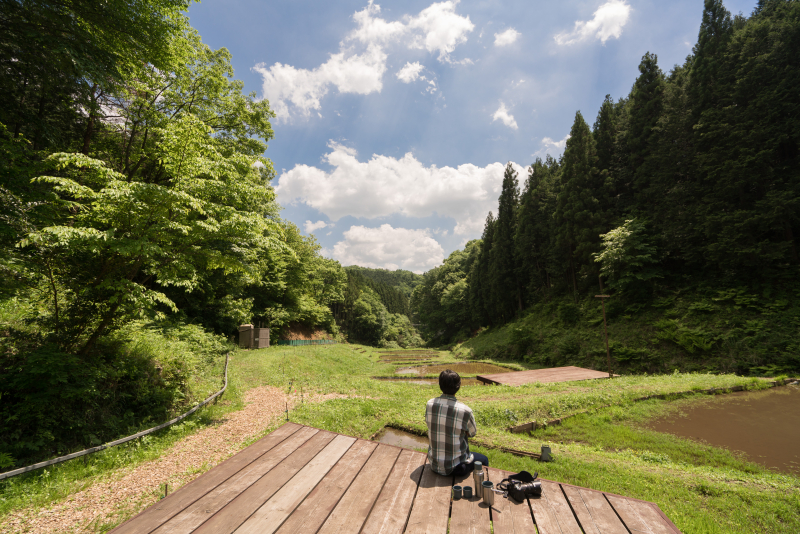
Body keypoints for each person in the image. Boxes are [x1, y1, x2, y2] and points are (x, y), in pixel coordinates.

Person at [425, 369, 489, 476]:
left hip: (434, 464)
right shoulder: (465, 411)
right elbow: (472, 433)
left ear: (440, 385)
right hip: (456, 467)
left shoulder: (430, 404)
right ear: (458, 386)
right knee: (484, 459)